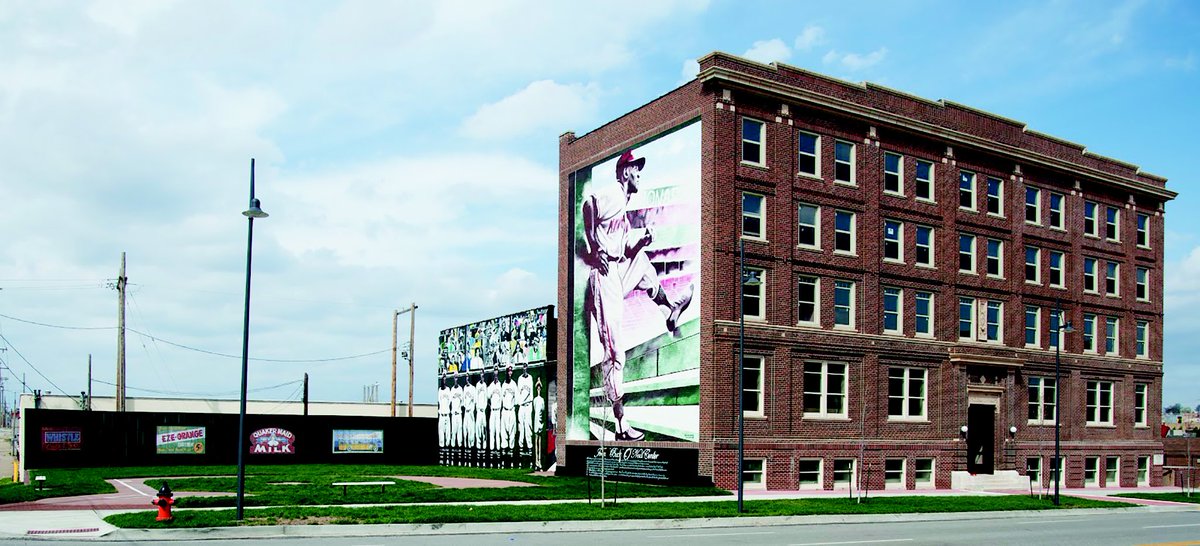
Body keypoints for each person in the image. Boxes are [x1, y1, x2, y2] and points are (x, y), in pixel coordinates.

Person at [582, 149, 693, 441]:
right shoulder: (614, 194)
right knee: (615, 352)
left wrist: (641, 241)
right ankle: (620, 424)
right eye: (635, 169)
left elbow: (625, 251)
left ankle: (670, 309)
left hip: (617, 270)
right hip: (604, 277)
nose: (639, 174)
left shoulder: (623, 206)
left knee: (642, 261)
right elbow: (588, 205)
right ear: (624, 172)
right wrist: (594, 248)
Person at [516, 364, 534, 455]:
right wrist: (520, 403)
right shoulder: (519, 379)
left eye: (526, 366)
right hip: (521, 406)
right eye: (523, 366)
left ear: (527, 367)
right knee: (521, 427)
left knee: (528, 427)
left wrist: (527, 402)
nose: (524, 368)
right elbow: (518, 393)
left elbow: (531, 395)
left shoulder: (530, 378)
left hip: (528, 405)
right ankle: (521, 448)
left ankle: (529, 448)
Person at [500, 365, 517, 456]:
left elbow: (516, 399)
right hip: (505, 410)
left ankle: (511, 454)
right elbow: (501, 399)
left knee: (512, 433)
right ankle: (504, 456)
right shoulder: (503, 385)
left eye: (511, 371)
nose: (510, 373)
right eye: (508, 371)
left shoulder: (514, 384)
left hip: (511, 410)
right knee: (504, 433)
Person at [488, 365, 503, 451]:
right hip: (492, 411)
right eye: (494, 370)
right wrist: (491, 406)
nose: (496, 372)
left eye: (497, 370)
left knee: (498, 431)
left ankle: (498, 450)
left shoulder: (501, 385)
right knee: (492, 431)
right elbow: (487, 398)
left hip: (498, 411)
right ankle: (491, 451)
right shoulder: (490, 386)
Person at [533, 377, 545, 469]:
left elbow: (543, 411)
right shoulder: (535, 400)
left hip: (540, 422)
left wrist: (542, 422)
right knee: (536, 441)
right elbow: (534, 411)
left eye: (539, 387)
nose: (538, 389)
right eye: (537, 387)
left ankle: (540, 461)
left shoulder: (542, 400)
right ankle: (536, 462)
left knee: (539, 442)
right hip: (536, 422)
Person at [437, 372, 451, 450]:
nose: (444, 380)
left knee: (448, 434)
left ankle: (448, 448)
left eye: (445, 378)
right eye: (443, 378)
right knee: (441, 434)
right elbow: (439, 401)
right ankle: (442, 449)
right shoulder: (439, 390)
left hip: (447, 415)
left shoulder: (448, 389)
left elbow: (450, 401)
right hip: (441, 415)